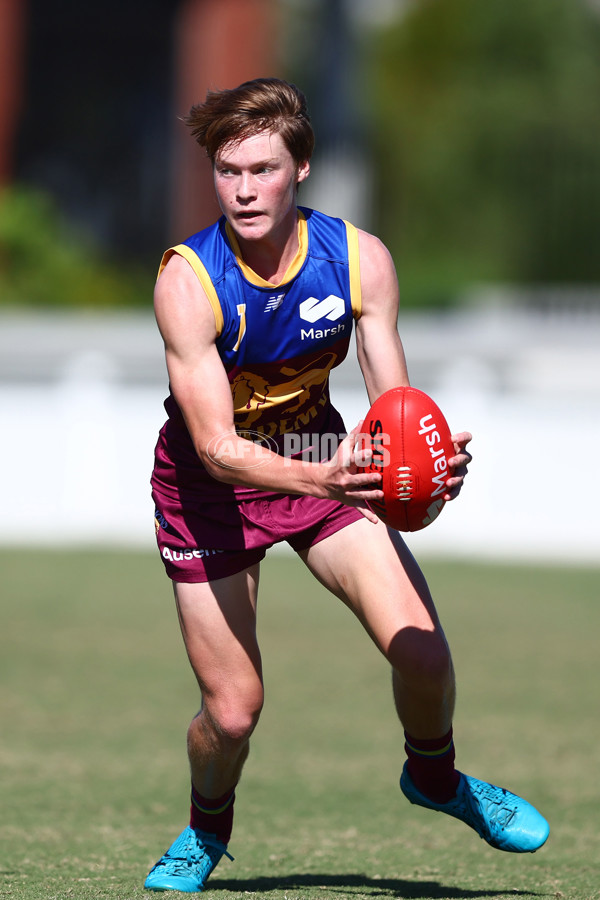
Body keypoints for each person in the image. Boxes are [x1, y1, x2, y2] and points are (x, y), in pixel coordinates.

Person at [145, 78, 549, 893]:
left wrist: (427, 470)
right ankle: (205, 829)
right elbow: (219, 448)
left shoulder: (359, 260)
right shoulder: (189, 279)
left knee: (425, 656)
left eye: (262, 169)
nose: (245, 189)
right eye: (229, 172)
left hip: (326, 466)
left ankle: (435, 778)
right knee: (232, 713)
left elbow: (396, 410)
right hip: (208, 487)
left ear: (301, 169)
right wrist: (326, 475)